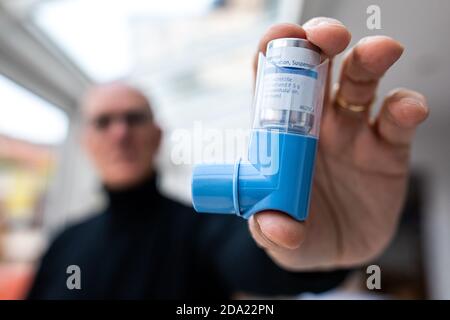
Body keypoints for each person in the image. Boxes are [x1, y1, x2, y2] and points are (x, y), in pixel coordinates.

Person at [28, 18, 429, 299]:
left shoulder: (202, 231)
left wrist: (327, 252)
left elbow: (255, 261)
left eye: (134, 118)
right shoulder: (64, 244)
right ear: (85, 140)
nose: (120, 132)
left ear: (158, 133)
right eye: (104, 121)